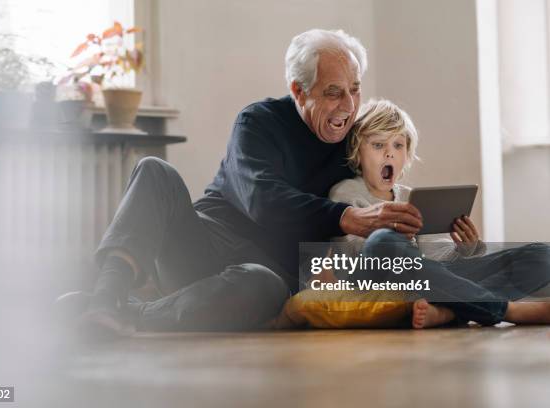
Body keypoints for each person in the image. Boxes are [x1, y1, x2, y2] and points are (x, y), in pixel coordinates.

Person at [56, 28, 425, 336]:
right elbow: (262, 198)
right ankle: (104, 300)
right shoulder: (259, 121)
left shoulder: (352, 140)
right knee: (155, 169)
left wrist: (436, 228)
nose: (348, 105)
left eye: (355, 89)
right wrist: (344, 217)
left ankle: (131, 314)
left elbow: (383, 183)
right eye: (333, 92)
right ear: (299, 91)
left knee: (263, 285)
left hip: (263, 277)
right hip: (202, 245)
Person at [328, 99, 550, 328]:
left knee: (542, 256)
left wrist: (466, 250)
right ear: (357, 152)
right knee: (385, 242)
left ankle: (450, 312)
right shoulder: (346, 192)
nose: (389, 154)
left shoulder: (411, 197)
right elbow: (352, 257)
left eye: (398, 145)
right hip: (379, 279)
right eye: (378, 145)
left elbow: (438, 262)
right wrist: (396, 240)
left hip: (428, 282)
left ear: (407, 154)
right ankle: (508, 310)